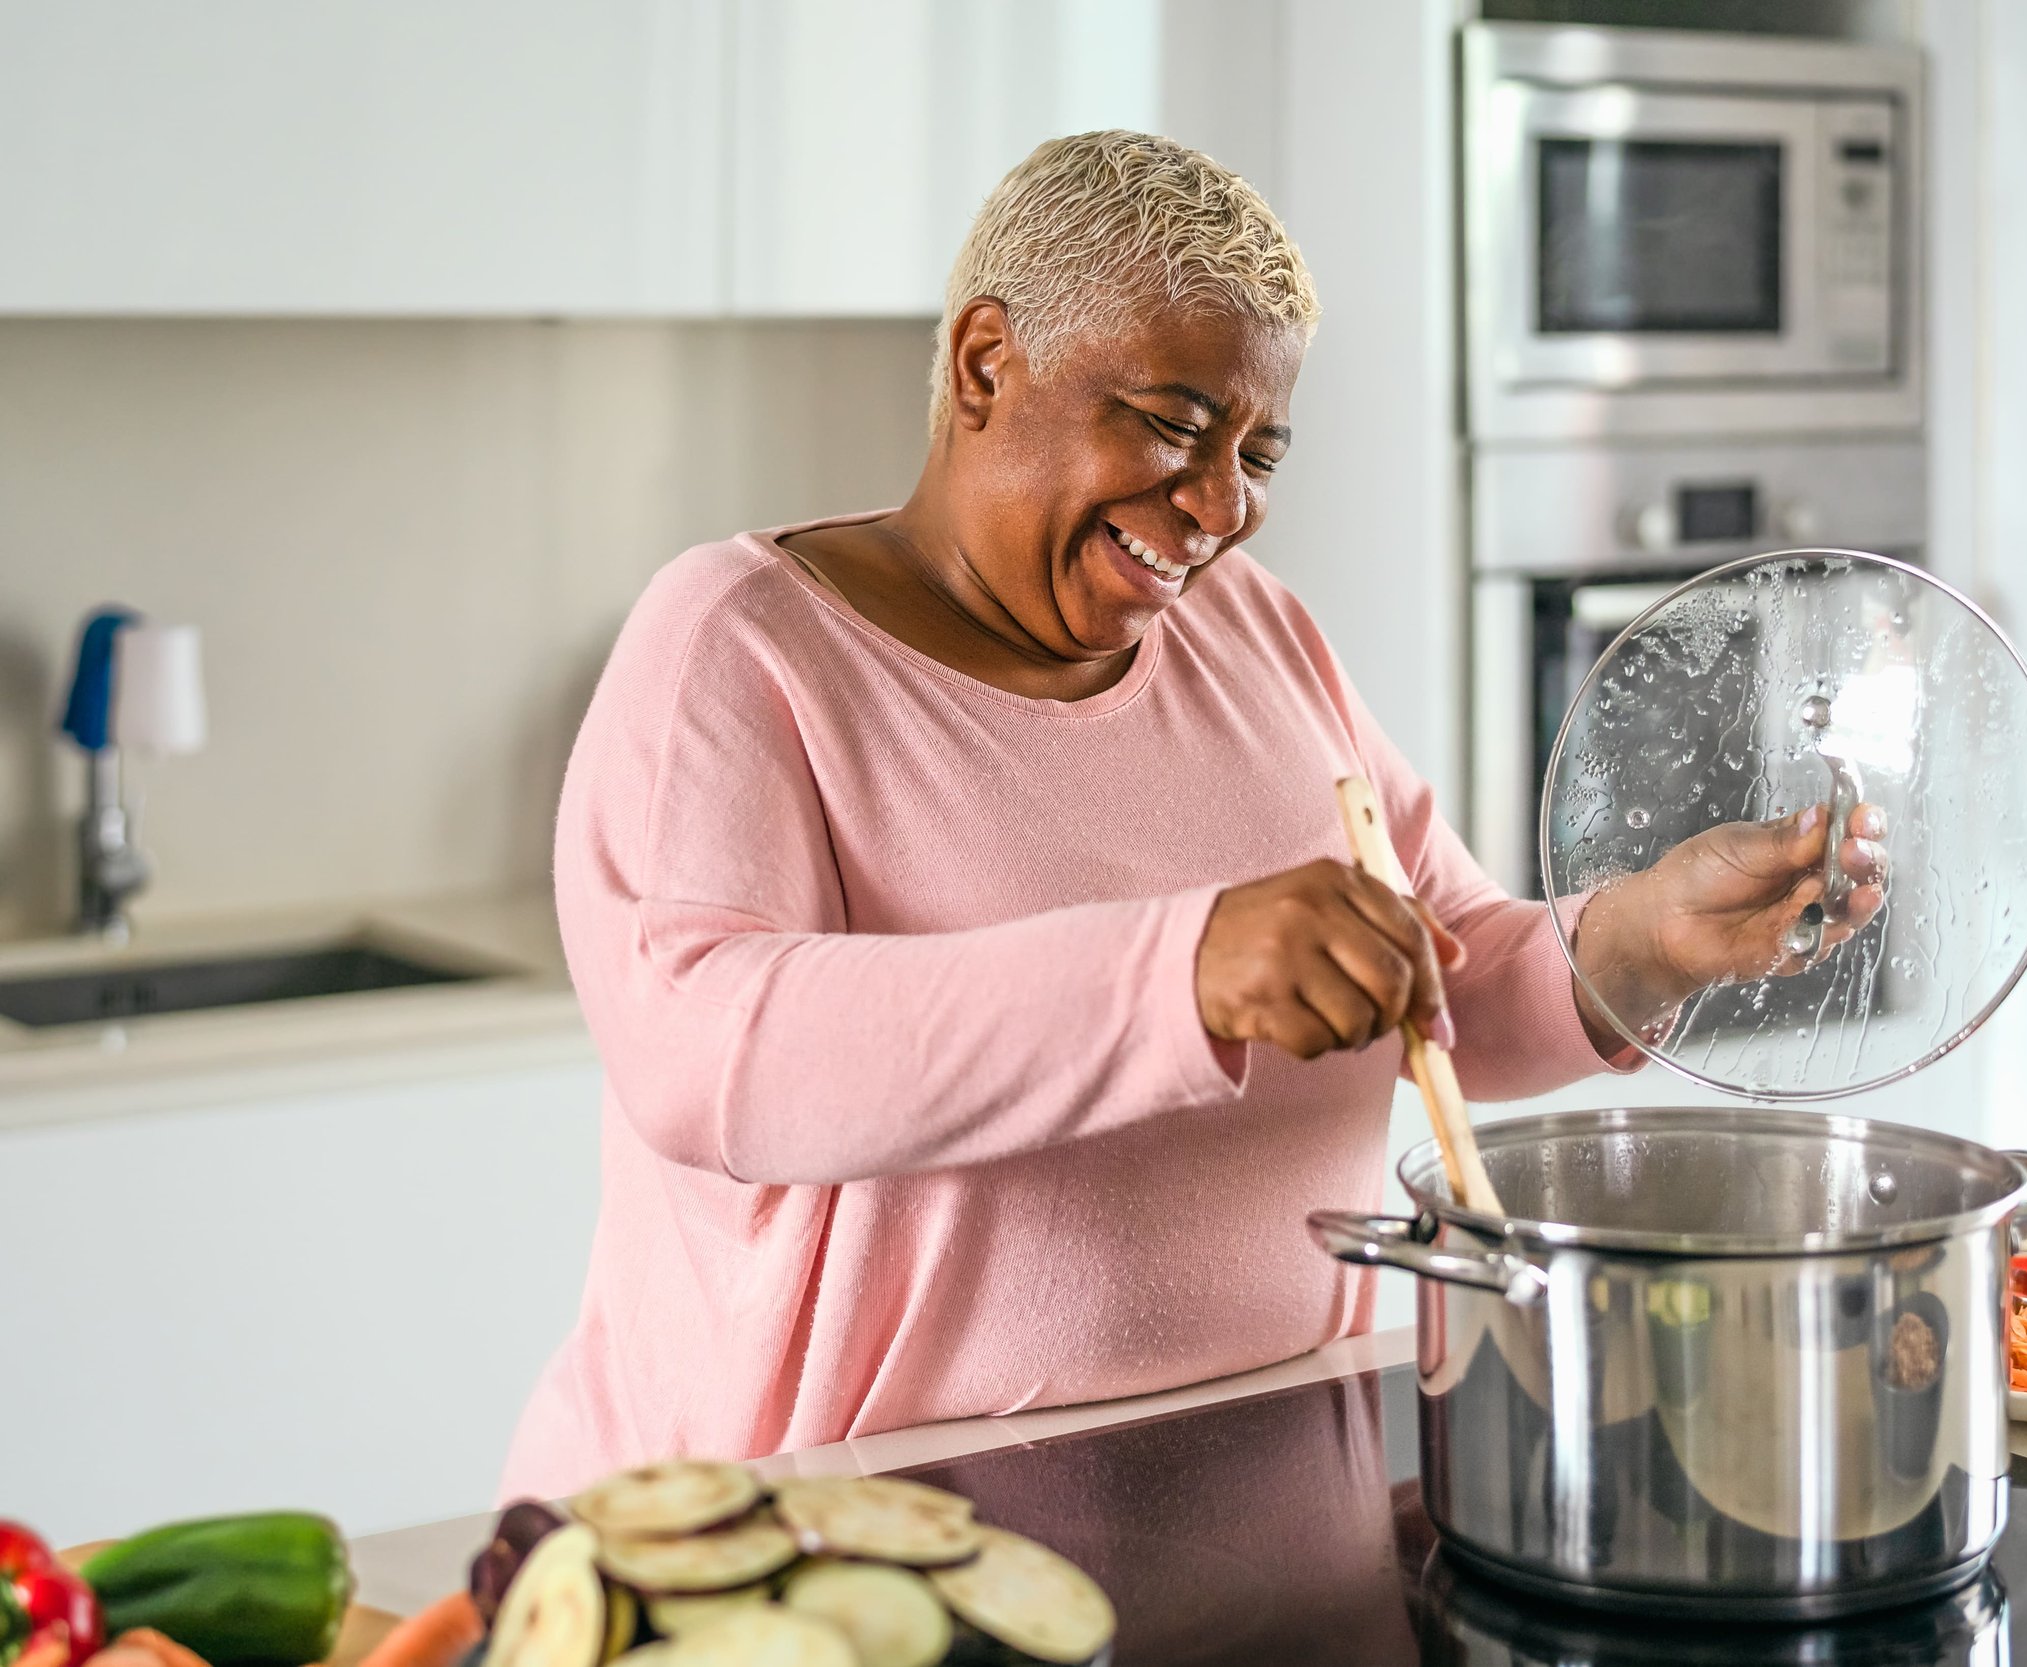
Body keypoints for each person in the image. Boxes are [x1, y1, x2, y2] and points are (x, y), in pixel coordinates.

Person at [502, 131, 1885, 1498]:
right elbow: (711, 1055)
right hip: (830, 1540)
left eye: (1259, 451)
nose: (1223, 506)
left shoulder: (1255, 633)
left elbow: (1436, 974)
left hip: (1272, 1481)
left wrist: (1639, 940)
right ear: (989, 365)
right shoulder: (744, 644)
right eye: (1172, 423)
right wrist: (1181, 970)